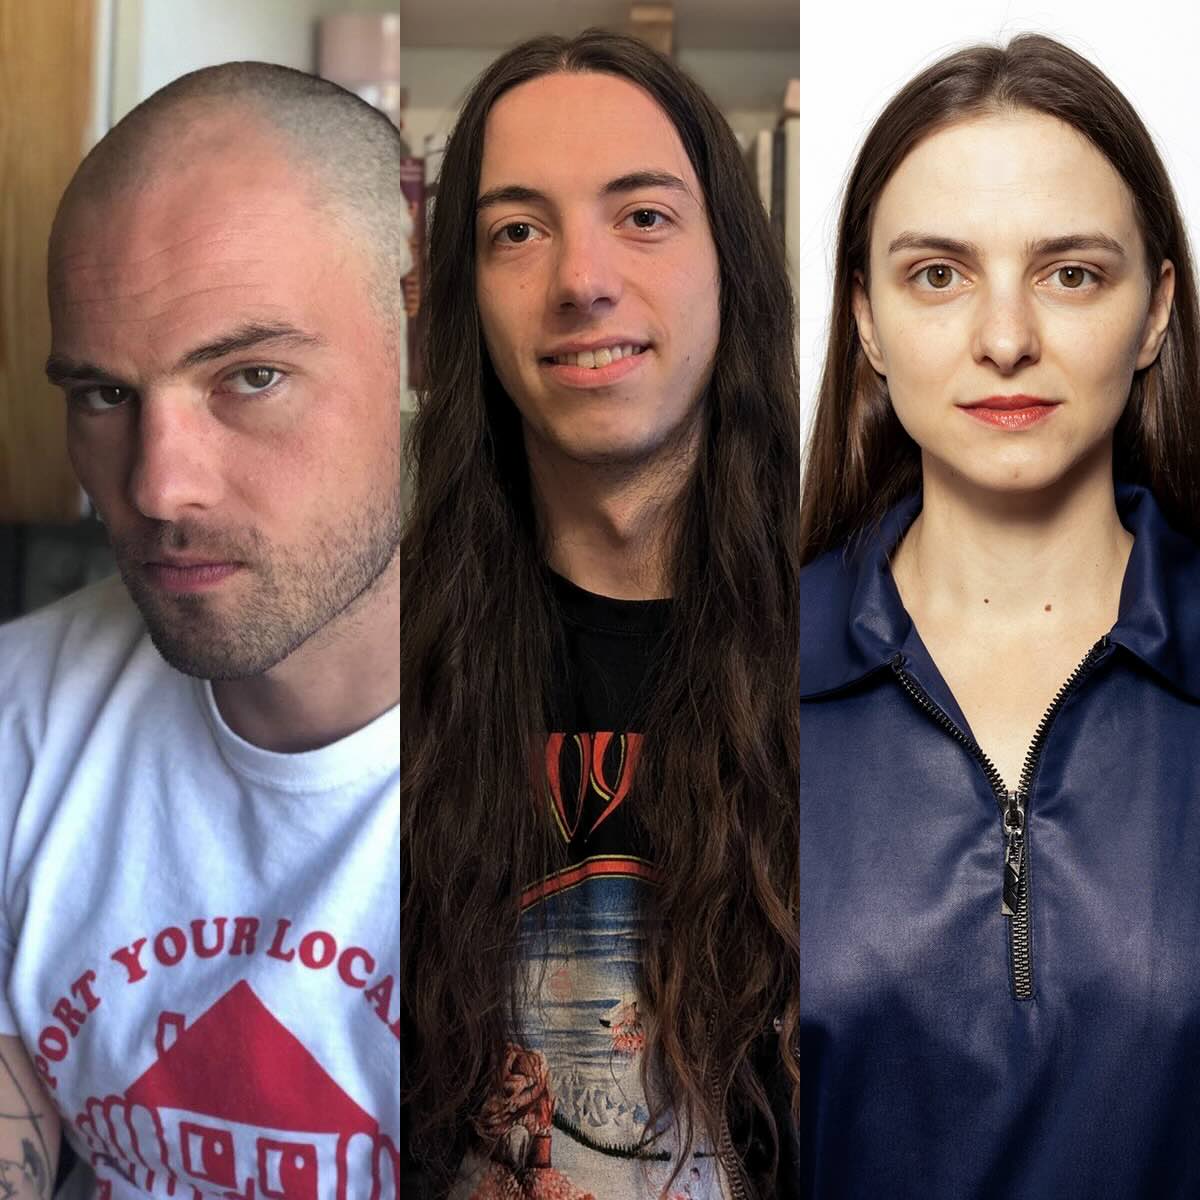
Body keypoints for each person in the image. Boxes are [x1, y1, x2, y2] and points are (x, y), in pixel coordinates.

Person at [400, 29, 800, 1200]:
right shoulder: (376, 667)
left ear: (731, 260)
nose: (581, 279)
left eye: (643, 215)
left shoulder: (873, 647)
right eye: (516, 230)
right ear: (464, 297)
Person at [800, 33, 1200, 1199]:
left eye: (1071, 271)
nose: (1006, 337)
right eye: (939, 273)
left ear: (1156, 312)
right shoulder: (725, 677)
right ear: (866, 323)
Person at [0, 63, 404, 1197]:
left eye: (251, 375)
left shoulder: (627, 761)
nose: (158, 487)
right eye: (103, 396)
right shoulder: (21, 717)